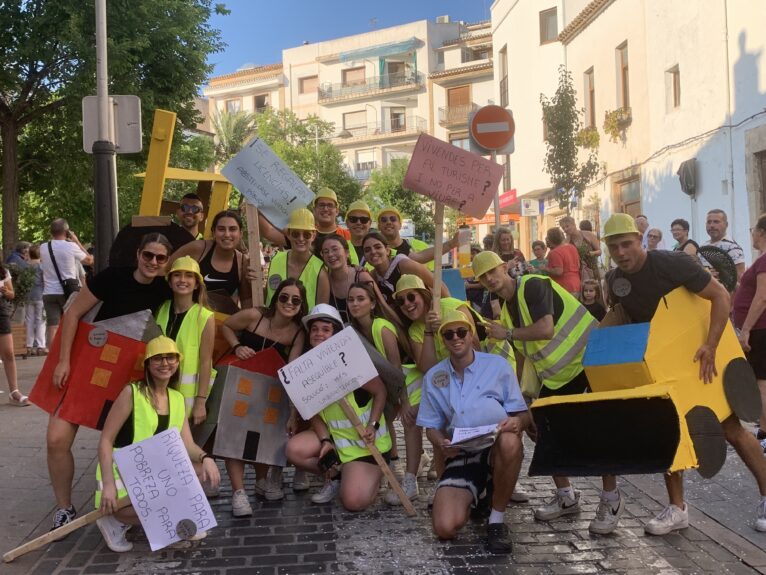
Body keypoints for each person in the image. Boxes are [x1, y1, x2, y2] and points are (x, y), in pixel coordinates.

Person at [601, 213, 766, 534]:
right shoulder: (613, 280)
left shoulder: (673, 264)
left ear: (640, 239)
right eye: (614, 246)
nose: (621, 252)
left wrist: (711, 345)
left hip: (705, 353)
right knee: (669, 431)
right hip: (666, 364)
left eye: (626, 244)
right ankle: (677, 509)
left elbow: (721, 296)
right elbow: (627, 320)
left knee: (732, 429)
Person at [472, 250, 625, 535]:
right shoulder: (506, 311)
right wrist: (518, 399)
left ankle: (611, 499)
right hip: (557, 378)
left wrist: (505, 334)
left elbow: (544, 329)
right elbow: (521, 357)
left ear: (505, 267)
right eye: (483, 276)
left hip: (589, 363)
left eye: (492, 270)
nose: (489, 278)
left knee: (598, 435)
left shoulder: (532, 284)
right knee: (544, 433)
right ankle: (566, 497)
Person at [47, 233, 173, 531]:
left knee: (126, 445)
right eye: (148, 255)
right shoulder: (112, 277)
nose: (152, 262)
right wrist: (64, 360)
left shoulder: (165, 291)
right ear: (138, 255)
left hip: (129, 378)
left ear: (167, 262)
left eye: (160, 258)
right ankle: (64, 507)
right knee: (56, 439)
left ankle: (122, 510)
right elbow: (74, 313)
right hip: (87, 368)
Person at [416, 310, 528, 554]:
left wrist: (518, 424)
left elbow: (523, 414)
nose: (455, 338)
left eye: (461, 332)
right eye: (448, 334)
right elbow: (431, 428)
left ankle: (496, 520)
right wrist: (441, 443)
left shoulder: (497, 366)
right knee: (445, 528)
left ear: (471, 335)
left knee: (510, 442)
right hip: (462, 452)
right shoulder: (434, 377)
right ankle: (479, 493)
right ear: (442, 341)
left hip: (495, 447)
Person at [95, 336, 220, 552]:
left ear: (177, 362)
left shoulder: (177, 398)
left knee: (199, 471)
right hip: (122, 472)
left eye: (170, 358)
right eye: (158, 358)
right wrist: (107, 484)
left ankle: (173, 519)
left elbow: (187, 444)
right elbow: (105, 440)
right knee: (136, 507)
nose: (165, 364)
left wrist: (206, 458)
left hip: (153, 474)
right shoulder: (131, 393)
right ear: (148, 364)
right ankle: (114, 520)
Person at [285, 304, 391, 510]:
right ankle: (334, 475)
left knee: (353, 502)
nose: (319, 334)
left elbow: (381, 392)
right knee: (293, 450)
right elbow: (313, 413)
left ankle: (372, 477)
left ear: (336, 334)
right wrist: (325, 441)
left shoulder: (352, 363)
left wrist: (373, 425)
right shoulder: (307, 371)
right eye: (314, 329)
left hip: (365, 444)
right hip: (336, 440)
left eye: (326, 329)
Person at [220, 278, 307, 513]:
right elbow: (226, 325)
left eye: (295, 300)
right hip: (240, 386)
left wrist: (292, 412)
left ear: (301, 305)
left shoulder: (298, 333)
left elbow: (292, 370)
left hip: (269, 391)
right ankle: (238, 493)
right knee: (232, 440)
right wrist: (237, 346)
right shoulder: (254, 316)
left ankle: (261, 480)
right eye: (284, 297)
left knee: (263, 437)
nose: (289, 303)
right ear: (276, 297)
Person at [347, 282, 423, 504]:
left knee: (406, 422)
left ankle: (408, 479)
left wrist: (405, 402)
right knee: (384, 420)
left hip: (408, 381)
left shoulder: (382, 327)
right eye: (351, 299)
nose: (355, 303)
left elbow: (396, 369)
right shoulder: (354, 330)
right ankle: (390, 467)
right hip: (386, 384)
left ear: (372, 304)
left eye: (361, 299)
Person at [155, 256, 215, 420]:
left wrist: (201, 402)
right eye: (177, 275)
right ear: (169, 281)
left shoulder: (204, 317)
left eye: (189, 276)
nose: (182, 280)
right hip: (158, 392)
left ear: (197, 284)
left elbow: (205, 362)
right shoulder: (161, 309)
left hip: (186, 399)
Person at [168, 210, 252, 307]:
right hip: (187, 316)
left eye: (232, 229)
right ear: (213, 232)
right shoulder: (198, 249)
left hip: (219, 319)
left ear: (240, 233)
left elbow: (246, 300)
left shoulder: (243, 262)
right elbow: (165, 269)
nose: (227, 234)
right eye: (221, 229)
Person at [733, 214, 766, 448]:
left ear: (761, 232)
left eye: (753, 229)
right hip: (760, 328)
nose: (751, 233)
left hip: (759, 329)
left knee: (760, 383)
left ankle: (765, 434)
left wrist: (745, 330)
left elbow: (762, 296)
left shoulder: (764, 261)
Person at [40, 218, 93, 347]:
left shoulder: (43, 247)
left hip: (49, 293)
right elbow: (90, 261)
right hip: (69, 291)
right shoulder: (71, 246)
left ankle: (52, 356)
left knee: (52, 326)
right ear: (67, 231)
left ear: (51, 232)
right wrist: (76, 241)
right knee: (72, 322)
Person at [264, 208, 328, 310]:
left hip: (303, 326)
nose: (301, 238)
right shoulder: (275, 260)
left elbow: (322, 312)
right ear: (288, 234)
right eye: (295, 234)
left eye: (307, 234)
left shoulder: (321, 272)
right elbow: (265, 296)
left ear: (313, 236)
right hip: (270, 323)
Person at [362, 232, 448, 306]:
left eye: (378, 247)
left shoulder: (404, 265)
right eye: (367, 250)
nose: (373, 252)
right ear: (364, 256)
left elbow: (439, 286)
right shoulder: (373, 277)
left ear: (387, 250)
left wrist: (449, 311)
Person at [317, 234, 377, 324]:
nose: (330, 254)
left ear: (347, 253)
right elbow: (321, 315)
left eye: (335, 249)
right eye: (325, 251)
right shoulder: (323, 279)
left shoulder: (361, 277)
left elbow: (382, 308)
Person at [375, 206, 461, 269]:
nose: (389, 222)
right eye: (384, 220)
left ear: (400, 225)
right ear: (378, 226)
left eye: (393, 219)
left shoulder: (416, 246)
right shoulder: (373, 251)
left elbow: (420, 258)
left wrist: (451, 244)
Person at [0, 261, 26, 406]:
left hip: (1, 311)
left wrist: (6, 292)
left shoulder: (3, 271)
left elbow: (12, 294)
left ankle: (14, 392)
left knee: (8, 353)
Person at [704, 209, 746, 282]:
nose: (711, 225)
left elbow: (740, 279)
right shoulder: (702, 247)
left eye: (716, 222)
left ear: (726, 225)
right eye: (709, 222)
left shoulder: (733, 248)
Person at [560, 216, 602, 280]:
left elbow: (599, 251)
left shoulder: (588, 235)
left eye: (567, 226)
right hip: (577, 274)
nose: (565, 229)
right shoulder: (565, 242)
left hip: (592, 271)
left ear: (574, 225)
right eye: (563, 228)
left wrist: (592, 253)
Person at [542, 227, 581, 295]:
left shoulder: (554, 252)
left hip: (563, 287)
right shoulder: (572, 247)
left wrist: (545, 268)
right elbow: (578, 264)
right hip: (576, 284)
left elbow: (558, 271)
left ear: (551, 239)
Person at [25, 244, 46, 356]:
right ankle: (40, 345)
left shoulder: (26, 267)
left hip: (28, 296)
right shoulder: (41, 266)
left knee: (29, 320)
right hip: (40, 295)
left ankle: (29, 345)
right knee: (40, 321)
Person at [344, 200, 373, 266]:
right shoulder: (339, 248)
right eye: (353, 219)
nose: (358, 223)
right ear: (347, 223)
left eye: (364, 220)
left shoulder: (380, 250)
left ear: (370, 223)